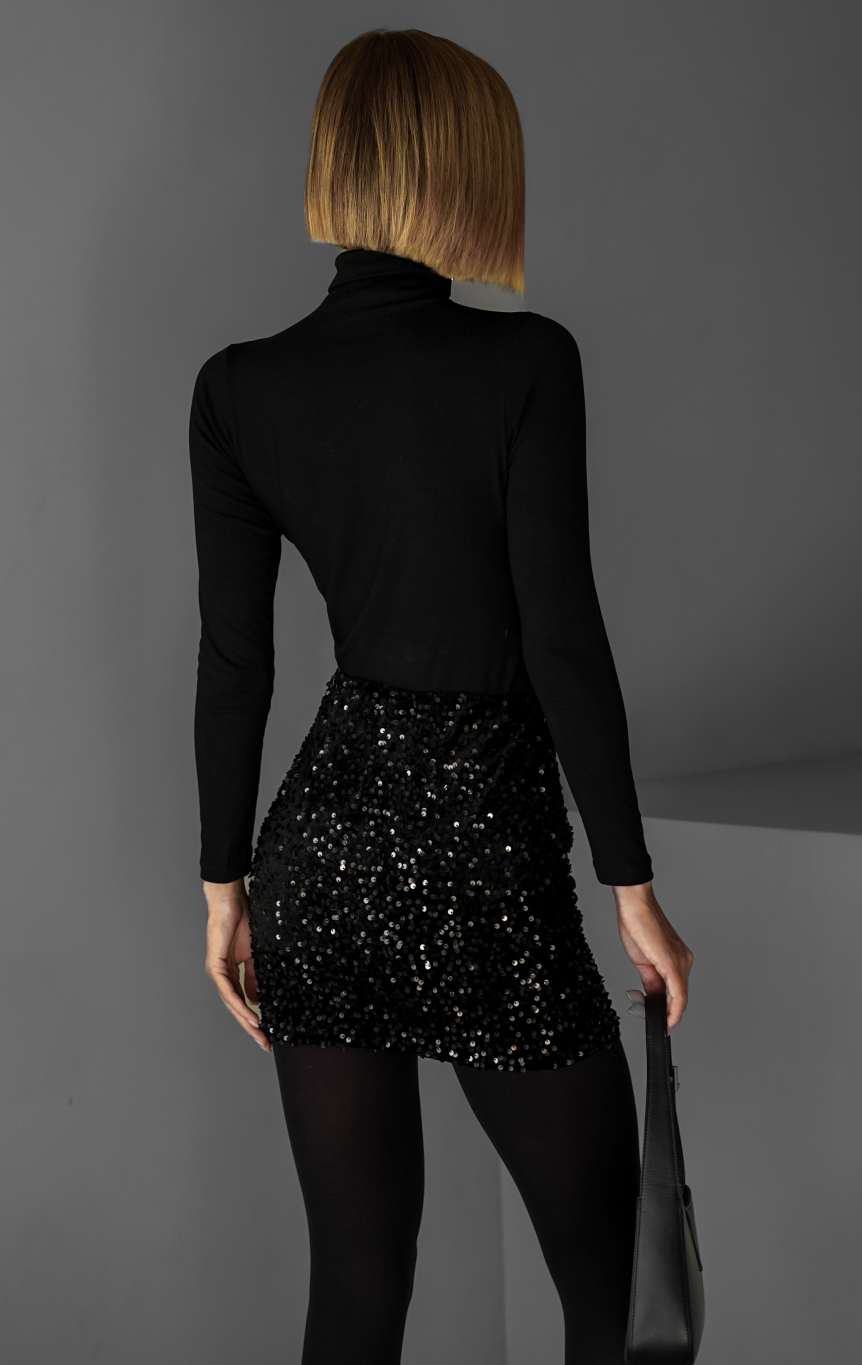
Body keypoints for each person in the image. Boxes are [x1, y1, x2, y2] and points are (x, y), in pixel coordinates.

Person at [189, 27, 693, 1365]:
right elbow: (563, 640)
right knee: (618, 1296)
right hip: (487, 856)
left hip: (322, 862)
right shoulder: (527, 364)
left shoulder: (237, 389)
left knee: (358, 1290)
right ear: (466, 169)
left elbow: (236, 664)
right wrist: (631, 887)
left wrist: (224, 887)